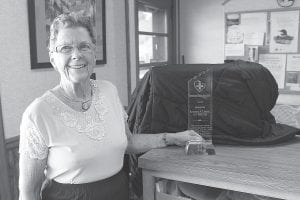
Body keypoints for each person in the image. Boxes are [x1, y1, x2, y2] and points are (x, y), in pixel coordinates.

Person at [18, 12, 202, 200]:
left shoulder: (109, 91)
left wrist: (173, 138)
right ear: (53, 59)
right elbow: (29, 192)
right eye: (66, 48)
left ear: (93, 53)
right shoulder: (38, 113)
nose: (76, 55)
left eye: (84, 46)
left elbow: (128, 142)